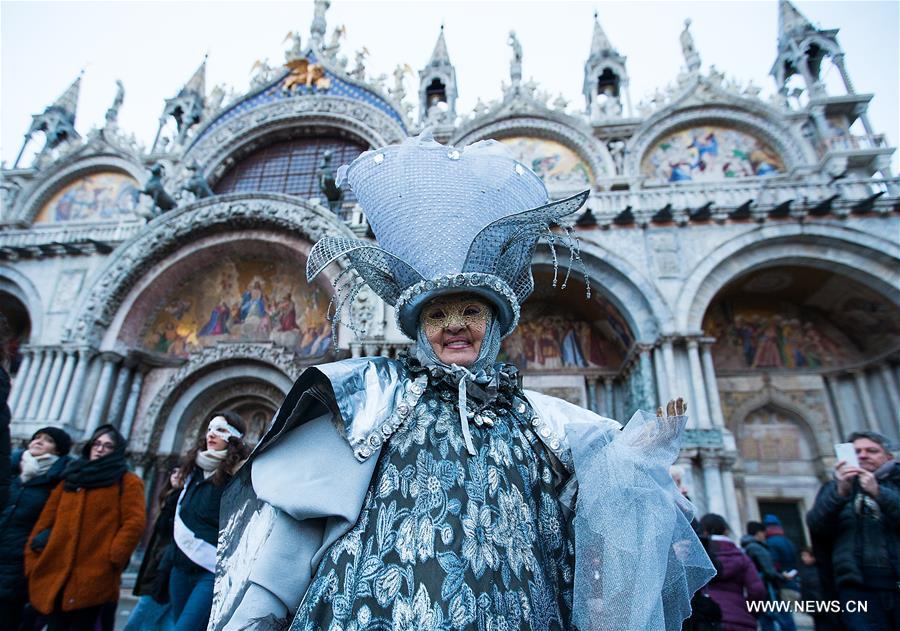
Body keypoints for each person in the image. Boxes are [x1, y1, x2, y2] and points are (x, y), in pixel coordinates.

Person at [210, 132, 715, 630]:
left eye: (471, 310)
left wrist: (634, 458)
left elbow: (593, 486)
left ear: (494, 325)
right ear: (419, 328)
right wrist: (258, 615)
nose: (454, 325)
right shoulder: (376, 397)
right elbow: (303, 512)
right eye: (437, 315)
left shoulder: (537, 418)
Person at [24, 424, 146, 631]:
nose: (99, 449)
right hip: (55, 572)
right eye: (97, 444)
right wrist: (33, 559)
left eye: (107, 446)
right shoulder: (71, 477)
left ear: (116, 452)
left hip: (95, 577)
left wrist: (112, 560)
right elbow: (45, 521)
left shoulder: (127, 481)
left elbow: (134, 523)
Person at [807, 430, 900, 631]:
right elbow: (817, 525)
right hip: (856, 586)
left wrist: (878, 492)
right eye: (857, 451)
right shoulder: (835, 488)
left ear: (888, 457)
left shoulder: (896, 484)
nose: (863, 455)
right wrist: (841, 493)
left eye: (872, 451)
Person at [170, 413, 249, 631]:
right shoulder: (192, 470)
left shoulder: (240, 475)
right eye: (210, 428)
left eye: (221, 430)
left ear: (234, 438)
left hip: (211, 570)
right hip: (179, 567)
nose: (212, 434)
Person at [0, 427, 72, 629]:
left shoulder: (59, 481)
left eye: (47, 440)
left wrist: (39, 543)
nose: (38, 442)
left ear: (58, 450)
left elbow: (62, 519)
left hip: (23, 561)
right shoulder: (11, 471)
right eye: (36, 438)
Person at [124, 466, 183, 631]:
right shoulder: (168, 500)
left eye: (182, 472)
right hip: (158, 568)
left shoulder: (180, 501)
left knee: (140, 621)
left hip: (163, 570)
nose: (176, 475)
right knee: (160, 622)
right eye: (174, 471)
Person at [700, 514, 766, 631]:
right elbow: (757, 590)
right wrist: (748, 612)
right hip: (740, 620)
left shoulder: (699, 556)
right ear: (726, 530)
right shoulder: (741, 556)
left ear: (703, 531)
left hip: (706, 620)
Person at [741, 521, 796, 631]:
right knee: (786, 621)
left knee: (766, 620)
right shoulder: (757, 548)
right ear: (758, 533)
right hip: (769, 590)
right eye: (763, 532)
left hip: (757, 589)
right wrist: (783, 577)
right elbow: (769, 571)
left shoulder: (746, 547)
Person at [762, 514, 800, 596]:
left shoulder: (770, 543)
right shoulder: (788, 541)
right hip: (796, 583)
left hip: (783, 585)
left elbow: (774, 564)